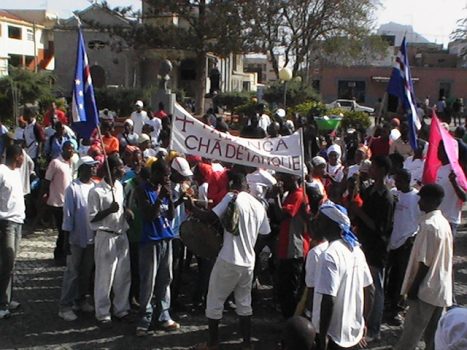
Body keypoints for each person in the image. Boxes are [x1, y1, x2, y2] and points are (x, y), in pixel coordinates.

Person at [185, 171, 270, 350]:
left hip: (228, 259)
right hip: (248, 262)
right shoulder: (258, 205)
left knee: (214, 301)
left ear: (232, 184)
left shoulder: (232, 197)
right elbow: (265, 233)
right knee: (244, 303)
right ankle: (246, 344)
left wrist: (192, 207)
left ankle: (212, 343)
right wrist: (251, 248)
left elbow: (210, 217)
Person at [394, 184, 453, 350]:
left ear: (431, 201)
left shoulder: (429, 226)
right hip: (440, 288)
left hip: (425, 289)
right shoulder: (443, 222)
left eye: (421, 199)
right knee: (433, 337)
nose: (419, 203)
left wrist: (412, 290)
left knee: (410, 336)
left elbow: (424, 263)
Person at [312, 201, 374, 350]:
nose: (316, 223)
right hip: (353, 332)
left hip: (333, 335)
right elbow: (371, 290)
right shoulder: (356, 251)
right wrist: (363, 322)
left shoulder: (329, 255)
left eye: (319, 220)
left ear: (330, 224)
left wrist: (322, 338)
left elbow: (329, 300)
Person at [350, 155, 394, 340]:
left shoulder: (387, 197)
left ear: (383, 170)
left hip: (376, 248)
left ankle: (374, 328)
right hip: (364, 245)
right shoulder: (368, 192)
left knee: (375, 288)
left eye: (374, 167)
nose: (371, 171)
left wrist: (359, 212)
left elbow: (379, 227)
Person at [135, 159, 180, 336]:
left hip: (166, 238)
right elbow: (148, 215)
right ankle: (144, 318)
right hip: (150, 240)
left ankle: (163, 314)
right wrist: (160, 197)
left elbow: (171, 215)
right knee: (148, 281)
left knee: (165, 279)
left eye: (168, 175)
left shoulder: (165, 190)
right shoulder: (142, 189)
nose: (167, 178)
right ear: (155, 173)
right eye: (165, 175)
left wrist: (169, 196)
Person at [88, 154, 131, 327]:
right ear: (113, 169)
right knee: (105, 277)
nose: (123, 170)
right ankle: (103, 313)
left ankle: (121, 309)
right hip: (105, 236)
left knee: (123, 275)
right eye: (121, 167)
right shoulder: (96, 191)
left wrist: (126, 212)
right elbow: (91, 218)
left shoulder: (119, 186)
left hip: (121, 234)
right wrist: (108, 210)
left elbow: (120, 207)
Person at [58, 156, 99, 321]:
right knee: (72, 272)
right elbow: (68, 216)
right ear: (82, 168)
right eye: (91, 167)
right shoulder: (72, 188)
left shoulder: (95, 187)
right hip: (76, 237)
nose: (94, 169)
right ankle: (65, 305)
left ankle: (81, 299)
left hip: (92, 238)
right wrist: (66, 240)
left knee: (86, 272)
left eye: (95, 166)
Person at [385, 169, 420, 324]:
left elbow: (420, 219)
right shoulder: (394, 193)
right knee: (390, 274)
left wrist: (412, 238)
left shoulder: (416, 197)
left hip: (406, 241)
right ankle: (388, 301)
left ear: (406, 181)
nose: (396, 184)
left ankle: (398, 307)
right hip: (392, 240)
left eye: (399, 181)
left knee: (402, 275)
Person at [275, 173, 310, 319]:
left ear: (294, 179)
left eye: (285, 178)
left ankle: (293, 321)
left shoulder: (298, 195)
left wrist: (275, 196)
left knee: (292, 289)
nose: (282, 181)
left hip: (294, 249)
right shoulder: (290, 195)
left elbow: (283, 215)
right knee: (285, 287)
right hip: (286, 248)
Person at [0, 145, 25, 319]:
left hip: (18, 221)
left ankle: (8, 298)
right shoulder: (1, 171)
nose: (24, 159)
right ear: (17, 156)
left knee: (12, 263)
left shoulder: (16, 173)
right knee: (6, 262)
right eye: (22, 155)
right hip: (5, 222)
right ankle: (2, 303)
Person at [42, 141, 75, 265]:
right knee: (62, 229)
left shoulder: (70, 164)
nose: (71, 151)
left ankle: (62, 252)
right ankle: (59, 253)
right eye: (69, 149)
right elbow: (47, 180)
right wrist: (45, 195)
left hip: (67, 201)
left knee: (66, 230)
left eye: (73, 149)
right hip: (57, 202)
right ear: (64, 149)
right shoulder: (55, 163)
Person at [436, 141, 466, 238]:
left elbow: (464, 197)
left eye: (440, 150)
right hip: (437, 217)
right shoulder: (439, 169)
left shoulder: (456, 170)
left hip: (450, 219)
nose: (437, 152)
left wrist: (453, 182)